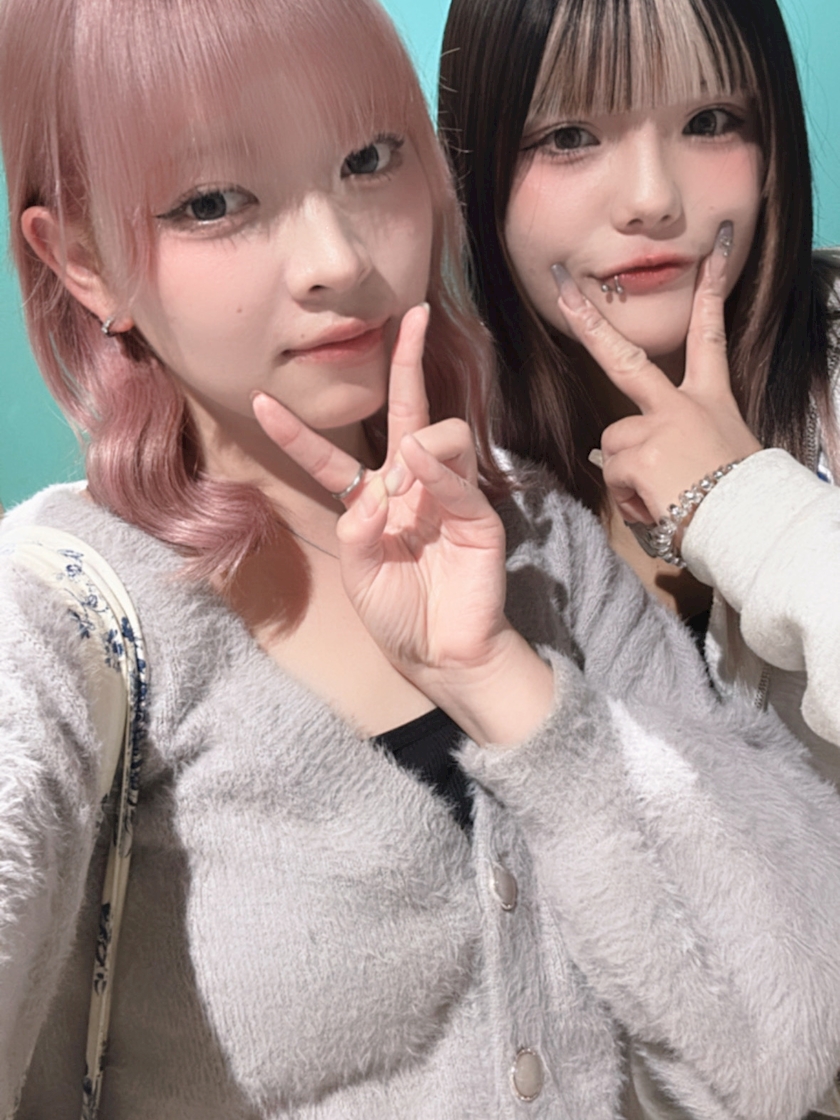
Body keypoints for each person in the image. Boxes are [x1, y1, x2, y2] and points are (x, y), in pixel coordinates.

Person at [3, 0, 840, 1117]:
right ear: (83, 261)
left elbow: (788, 1041)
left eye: (367, 160)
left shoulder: (537, 539)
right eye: (211, 203)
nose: (337, 258)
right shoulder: (57, 617)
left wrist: (501, 681)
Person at [438, 0, 840, 781]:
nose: (652, 198)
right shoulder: (443, 468)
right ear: (471, 165)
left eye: (710, 121)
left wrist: (749, 510)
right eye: (568, 137)